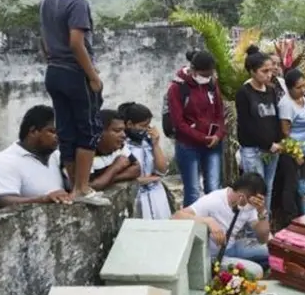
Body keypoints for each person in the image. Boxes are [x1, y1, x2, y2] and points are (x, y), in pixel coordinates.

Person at [40, 0, 108, 206]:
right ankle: (82, 187)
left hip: (54, 71)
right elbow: (77, 43)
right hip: (75, 73)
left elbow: (45, 42)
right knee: (89, 128)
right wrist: (93, 76)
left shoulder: (47, 0)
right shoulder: (77, 2)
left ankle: (73, 185)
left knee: (66, 129)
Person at [173, 172, 271, 278]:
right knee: (256, 271)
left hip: (232, 246)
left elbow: (263, 239)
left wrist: (262, 212)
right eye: (255, 201)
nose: (254, 206)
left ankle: (240, 267)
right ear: (242, 197)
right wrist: (208, 221)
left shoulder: (250, 206)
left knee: (272, 250)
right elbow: (176, 217)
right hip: (214, 255)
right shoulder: (214, 200)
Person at [168, 50, 226, 207]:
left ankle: (214, 227)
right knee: (193, 190)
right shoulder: (177, 88)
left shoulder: (212, 84)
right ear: (193, 69)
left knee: (213, 188)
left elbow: (220, 114)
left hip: (213, 143)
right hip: (188, 145)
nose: (206, 78)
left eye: (209, 74)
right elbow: (179, 123)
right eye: (204, 74)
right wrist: (202, 138)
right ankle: (192, 227)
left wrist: (219, 135)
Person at [0, 105, 71, 209]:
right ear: (33, 131)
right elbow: (4, 201)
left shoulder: (56, 156)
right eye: (52, 131)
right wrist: (43, 200)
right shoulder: (4, 162)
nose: (58, 136)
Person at [237, 52, 283, 214]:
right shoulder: (244, 93)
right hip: (253, 149)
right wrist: (268, 144)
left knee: (268, 187)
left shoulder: (270, 91)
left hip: (273, 148)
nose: (269, 74)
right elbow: (247, 125)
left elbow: (276, 117)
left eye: (270, 70)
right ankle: (252, 227)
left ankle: (264, 223)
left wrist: (279, 141)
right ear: (252, 71)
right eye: (264, 71)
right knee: (255, 190)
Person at [118, 102, 171, 220]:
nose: (147, 129)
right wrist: (145, 179)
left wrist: (156, 144)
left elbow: (162, 170)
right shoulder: (121, 146)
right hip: (135, 197)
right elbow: (120, 177)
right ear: (130, 124)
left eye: (148, 125)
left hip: (156, 197)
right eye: (143, 125)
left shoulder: (147, 142)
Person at [278, 68, 305, 217]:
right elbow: (285, 133)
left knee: (303, 185)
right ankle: (291, 216)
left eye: (304, 86)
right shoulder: (286, 104)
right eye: (298, 87)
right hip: (293, 152)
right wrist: (296, 154)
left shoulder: (304, 98)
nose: (303, 89)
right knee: (291, 185)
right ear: (289, 88)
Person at [88, 110, 141, 191]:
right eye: (117, 131)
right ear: (99, 132)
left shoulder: (120, 147)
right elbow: (91, 186)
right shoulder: (86, 153)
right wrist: (115, 167)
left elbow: (137, 169)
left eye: (123, 130)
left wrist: (108, 179)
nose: (124, 135)